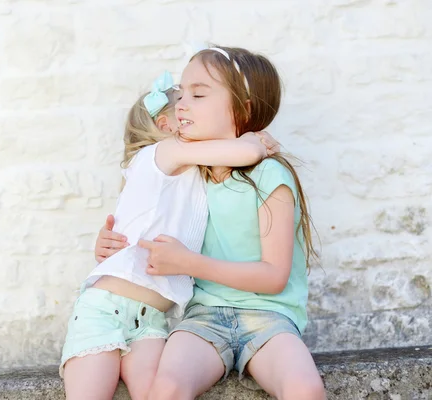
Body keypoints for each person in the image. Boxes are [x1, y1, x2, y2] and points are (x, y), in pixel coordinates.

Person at [94, 47, 326, 400]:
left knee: (304, 388)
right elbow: (144, 215)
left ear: (243, 108)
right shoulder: (188, 174)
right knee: (167, 388)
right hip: (202, 318)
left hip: (268, 317)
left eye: (198, 94)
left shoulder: (269, 175)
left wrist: (190, 263)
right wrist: (111, 243)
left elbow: (273, 277)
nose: (182, 104)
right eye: (181, 93)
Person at [62, 70, 278, 400]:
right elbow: (246, 153)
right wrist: (254, 140)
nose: (189, 110)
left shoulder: (195, 172)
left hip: (152, 321)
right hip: (105, 310)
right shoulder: (164, 153)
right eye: (182, 107)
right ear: (166, 127)